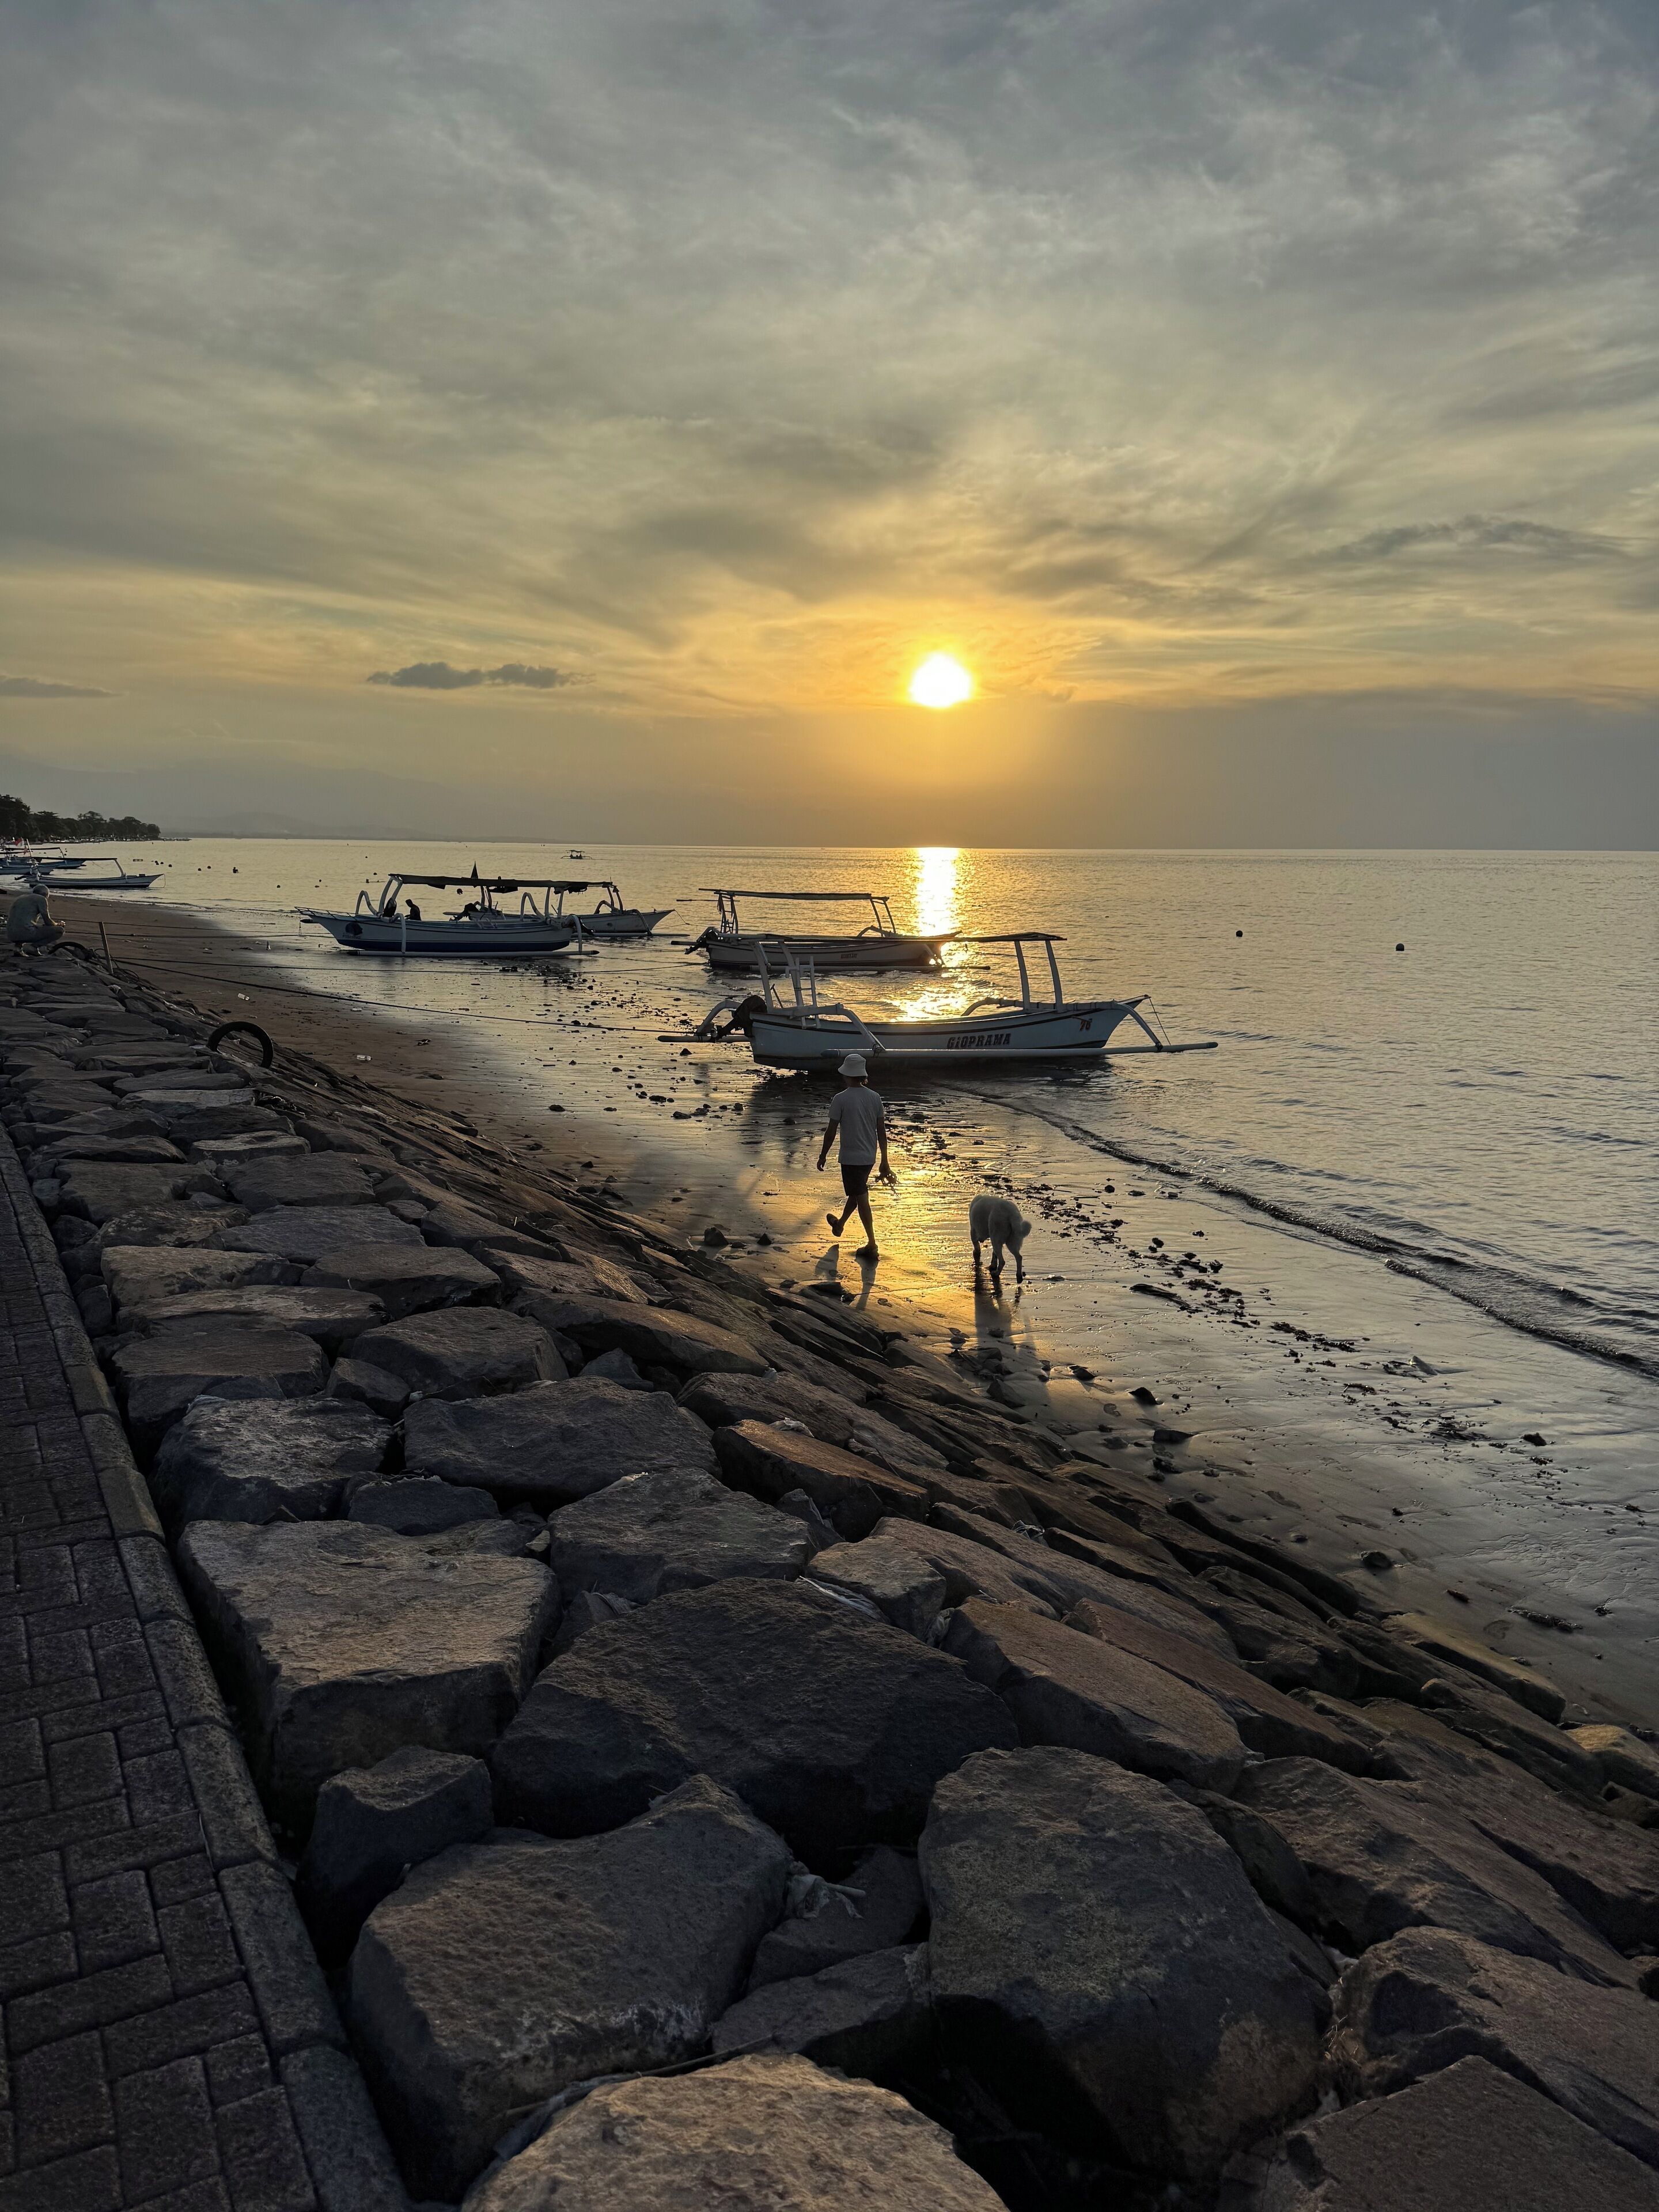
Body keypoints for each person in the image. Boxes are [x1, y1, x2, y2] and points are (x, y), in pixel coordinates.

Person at [816, 1052, 895, 1260]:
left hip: (850, 1158)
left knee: (861, 1196)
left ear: (847, 1076)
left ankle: (872, 1243)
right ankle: (840, 1224)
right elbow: (881, 1132)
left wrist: (823, 1155)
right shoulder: (875, 1097)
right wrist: (884, 1160)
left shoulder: (840, 1099)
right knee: (856, 1192)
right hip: (869, 1157)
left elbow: (831, 1131)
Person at [6, 888, 64, 953]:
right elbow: (48, 922)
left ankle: (18, 948)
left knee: (24, 925)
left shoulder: (20, 898)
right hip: (26, 933)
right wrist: (58, 924)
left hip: (11, 934)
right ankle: (34, 947)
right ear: (46, 895)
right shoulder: (42, 899)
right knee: (60, 931)